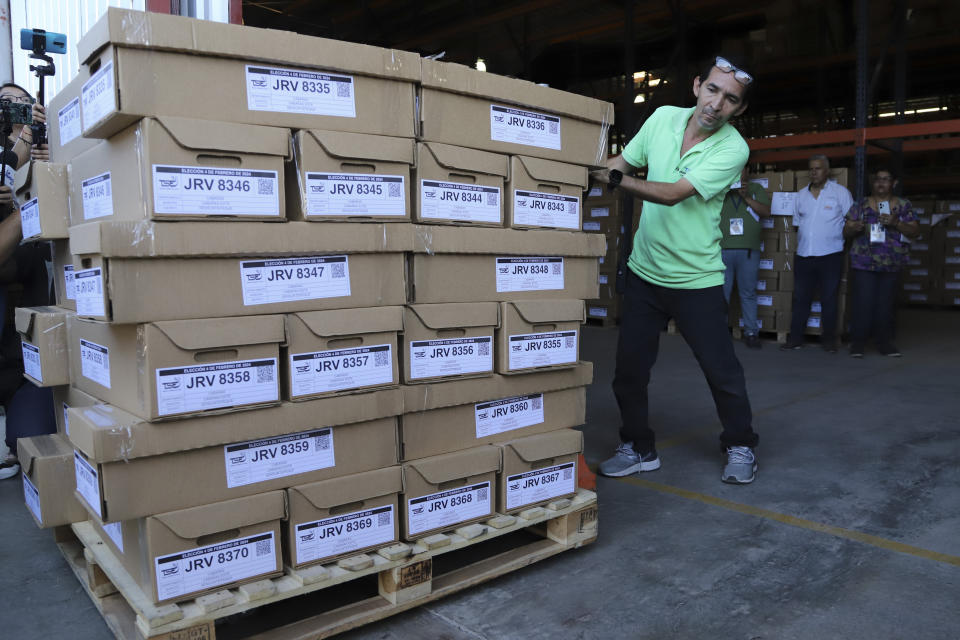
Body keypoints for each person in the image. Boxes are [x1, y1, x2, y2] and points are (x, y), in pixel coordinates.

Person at [592, 55, 760, 484]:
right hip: (645, 272)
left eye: (730, 99)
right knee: (629, 371)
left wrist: (610, 180)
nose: (716, 104)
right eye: (712, 90)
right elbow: (622, 165)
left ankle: (740, 445)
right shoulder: (663, 118)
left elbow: (670, 194)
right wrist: (569, 171)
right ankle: (637, 446)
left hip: (696, 279)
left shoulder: (732, 148)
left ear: (738, 110)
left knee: (722, 372)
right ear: (696, 85)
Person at [0, 83, 53, 480]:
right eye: (7, 105)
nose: (19, 113)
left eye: (25, 105)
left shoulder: (38, 163)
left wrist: (48, 170)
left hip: (28, 347)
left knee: (34, 440)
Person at [843, 168, 918, 357]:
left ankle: (884, 344)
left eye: (886, 179)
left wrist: (896, 222)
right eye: (877, 179)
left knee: (885, 306)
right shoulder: (860, 204)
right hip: (864, 263)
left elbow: (915, 232)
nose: (881, 183)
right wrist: (852, 228)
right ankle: (858, 344)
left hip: (892, 264)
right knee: (863, 304)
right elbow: (846, 232)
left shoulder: (903, 205)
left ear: (894, 183)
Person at [781, 155, 853, 352]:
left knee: (829, 300)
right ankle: (796, 339)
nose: (814, 172)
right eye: (811, 169)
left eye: (818, 168)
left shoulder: (840, 193)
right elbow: (797, 226)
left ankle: (828, 341)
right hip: (804, 256)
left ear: (827, 171)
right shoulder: (801, 196)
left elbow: (853, 221)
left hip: (830, 256)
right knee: (800, 298)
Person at [720, 163, 772, 348]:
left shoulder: (756, 189)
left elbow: (766, 212)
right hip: (723, 250)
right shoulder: (721, 189)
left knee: (748, 293)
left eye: (741, 168)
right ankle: (719, 333)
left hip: (749, 252)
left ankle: (751, 332)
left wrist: (746, 197)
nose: (737, 172)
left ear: (747, 171)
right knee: (722, 294)